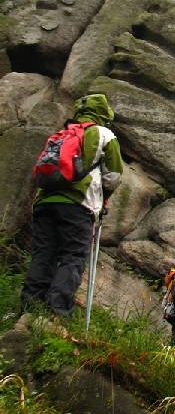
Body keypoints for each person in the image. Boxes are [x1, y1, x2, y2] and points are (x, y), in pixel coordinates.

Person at [21, 94, 123, 317]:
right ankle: (57, 311)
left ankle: (30, 308)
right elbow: (113, 176)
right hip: (78, 204)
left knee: (43, 254)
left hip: (44, 201)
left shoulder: (61, 134)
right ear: (104, 114)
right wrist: (104, 198)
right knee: (73, 256)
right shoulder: (104, 134)